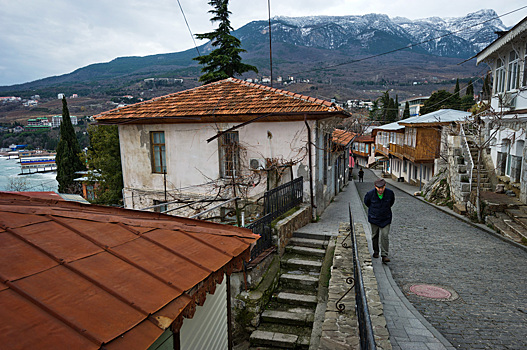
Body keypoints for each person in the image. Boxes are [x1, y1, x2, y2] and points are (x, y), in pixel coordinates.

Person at [364, 178, 395, 263]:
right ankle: (376, 251)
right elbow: (367, 203)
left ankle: (384, 255)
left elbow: (391, 203)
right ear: (375, 187)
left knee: (385, 235)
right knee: (375, 235)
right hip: (374, 218)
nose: (380, 190)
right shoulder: (370, 194)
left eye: (382, 188)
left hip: (386, 218)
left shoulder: (390, 193)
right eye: (379, 188)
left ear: (385, 186)